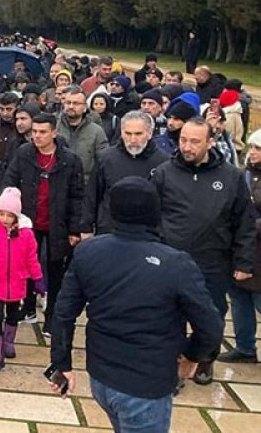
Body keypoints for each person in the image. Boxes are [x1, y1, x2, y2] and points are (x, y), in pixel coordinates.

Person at [51, 177, 223, 433]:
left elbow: (64, 313)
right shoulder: (176, 264)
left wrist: (61, 365)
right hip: (146, 385)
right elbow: (211, 326)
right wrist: (191, 355)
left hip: (101, 378)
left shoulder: (88, 252)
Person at [152, 118, 255, 384]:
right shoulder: (164, 173)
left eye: (195, 141)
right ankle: (170, 370)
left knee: (211, 315)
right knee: (168, 316)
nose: (187, 147)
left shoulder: (231, 176)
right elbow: (152, 216)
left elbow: (244, 221)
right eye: (183, 140)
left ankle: (205, 359)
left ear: (210, 142)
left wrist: (244, 263)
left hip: (213, 261)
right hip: (170, 260)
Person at [3, 112, 85, 336]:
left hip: (57, 223)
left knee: (55, 269)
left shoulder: (69, 160)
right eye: (34, 132)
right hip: (28, 221)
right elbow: (10, 180)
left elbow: (77, 196)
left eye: (42, 132)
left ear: (53, 133)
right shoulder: (24, 154)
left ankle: (51, 316)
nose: (37, 137)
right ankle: (27, 307)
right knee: (27, 266)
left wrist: (75, 228)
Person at [0, 187, 43, 371]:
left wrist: (37, 278)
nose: (4, 219)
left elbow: (32, 258)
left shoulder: (26, 235)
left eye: (9, 215)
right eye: (1, 214)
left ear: (16, 216)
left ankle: (8, 342)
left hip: (17, 281)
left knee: (13, 314)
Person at [82, 111, 169, 235]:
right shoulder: (106, 158)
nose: (133, 139)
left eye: (138, 134)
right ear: (122, 132)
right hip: (110, 231)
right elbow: (92, 195)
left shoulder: (163, 162)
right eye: (128, 133)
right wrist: (86, 228)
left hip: (148, 235)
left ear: (149, 133)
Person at [219, 129, 261, 363]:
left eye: (258, 149)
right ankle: (245, 347)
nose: (252, 153)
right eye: (252, 148)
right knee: (239, 298)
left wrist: (250, 224)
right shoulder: (242, 176)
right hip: (241, 248)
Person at [56, 86, 107, 182]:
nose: (71, 106)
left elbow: (103, 161)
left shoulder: (96, 131)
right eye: (68, 103)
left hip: (85, 185)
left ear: (85, 108)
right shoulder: (54, 127)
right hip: (58, 183)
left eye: (76, 103)